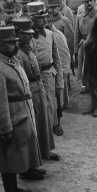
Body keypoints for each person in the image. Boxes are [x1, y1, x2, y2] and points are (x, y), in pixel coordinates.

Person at [0, 25, 42, 192]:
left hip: (20, 115)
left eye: (15, 42)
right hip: (10, 118)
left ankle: (14, 188)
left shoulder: (10, 61)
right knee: (7, 158)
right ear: (1, 45)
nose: (15, 46)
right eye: (11, 43)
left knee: (15, 156)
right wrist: (5, 127)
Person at [13, 16, 59, 163]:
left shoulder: (29, 46)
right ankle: (34, 157)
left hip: (39, 87)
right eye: (27, 33)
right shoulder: (18, 53)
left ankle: (45, 151)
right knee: (32, 125)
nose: (31, 35)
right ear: (19, 34)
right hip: (29, 90)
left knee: (43, 121)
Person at [28, 1, 64, 139]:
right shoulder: (27, 36)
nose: (45, 20)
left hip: (49, 74)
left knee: (51, 102)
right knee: (38, 106)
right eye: (41, 17)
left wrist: (60, 82)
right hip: (34, 77)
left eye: (45, 17)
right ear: (32, 19)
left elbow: (57, 60)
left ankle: (55, 124)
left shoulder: (50, 34)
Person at [74, 0, 97, 116]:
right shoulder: (80, 14)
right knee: (88, 78)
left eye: (90, 1)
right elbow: (77, 32)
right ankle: (92, 104)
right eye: (85, 2)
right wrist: (76, 50)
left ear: (94, 0)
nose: (87, 4)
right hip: (84, 48)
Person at [45, 10, 71, 120]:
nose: (46, 23)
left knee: (57, 101)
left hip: (55, 73)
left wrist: (63, 74)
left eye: (48, 21)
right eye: (43, 20)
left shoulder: (57, 36)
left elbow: (64, 57)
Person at [47, 0, 74, 87]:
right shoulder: (46, 21)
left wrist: (70, 54)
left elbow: (69, 39)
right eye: (51, 7)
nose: (53, 9)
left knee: (64, 72)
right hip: (50, 51)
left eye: (55, 7)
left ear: (59, 7)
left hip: (61, 51)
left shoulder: (64, 21)